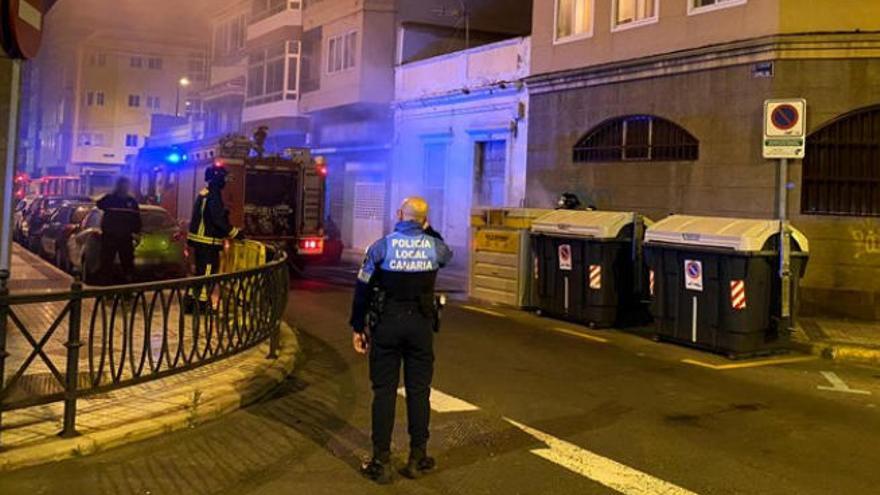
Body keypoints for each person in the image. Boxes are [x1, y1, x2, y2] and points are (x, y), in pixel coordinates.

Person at [350, 197, 453, 484]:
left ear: (399, 214)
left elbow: (362, 289)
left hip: (387, 325)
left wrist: (358, 327)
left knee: (383, 392)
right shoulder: (434, 246)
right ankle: (418, 457)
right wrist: (427, 230)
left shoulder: (381, 247)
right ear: (424, 219)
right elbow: (446, 254)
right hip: (421, 325)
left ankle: (381, 461)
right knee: (419, 392)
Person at [185, 165, 243, 312]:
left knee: (199, 273)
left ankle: (191, 302)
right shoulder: (214, 195)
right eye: (223, 178)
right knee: (207, 273)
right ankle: (203, 305)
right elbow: (217, 219)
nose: (224, 181)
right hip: (207, 243)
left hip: (200, 242)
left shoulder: (204, 193)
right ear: (217, 179)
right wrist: (235, 232)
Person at [96, 177, 141, 284]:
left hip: (124, 237)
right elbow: (99, 204)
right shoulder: (111, 199)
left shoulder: (131, 202)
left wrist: (136, 230)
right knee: (107, 263)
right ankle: (106, 290)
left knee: (127, 263)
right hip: (110, 237)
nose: (125, 187)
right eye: (123, 185)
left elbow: (136, 219)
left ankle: (127, 289)